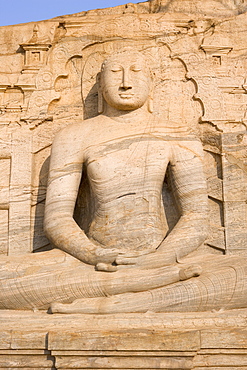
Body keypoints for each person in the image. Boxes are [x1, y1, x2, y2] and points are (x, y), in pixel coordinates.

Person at [0, 49, 245, 313]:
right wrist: (94, 254)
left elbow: (196, 217)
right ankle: (146, 291)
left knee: (240, 275)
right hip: (91, 264)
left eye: (136, 72)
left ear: (152, 82)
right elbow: (57, 220)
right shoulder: (74, 136)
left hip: (164, 259)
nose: (126, 81)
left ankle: (115, 300)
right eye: (115, 73)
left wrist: (160, 259)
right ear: (100, 83)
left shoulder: (176, 134)